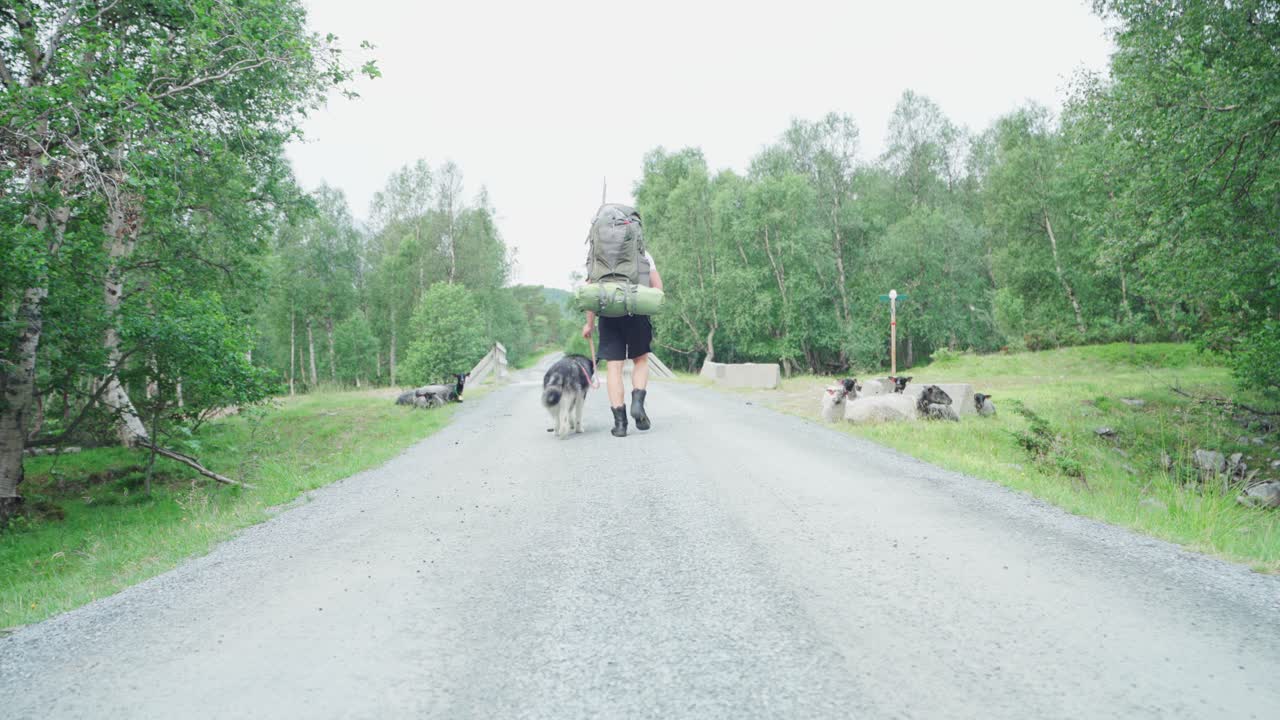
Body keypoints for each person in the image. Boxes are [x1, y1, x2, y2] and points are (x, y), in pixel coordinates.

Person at [582, 251, 663, 437]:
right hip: (637, 310)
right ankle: (637, 402)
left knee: (614, 367)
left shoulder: (599, 253)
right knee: (640, 360)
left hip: (609, 314)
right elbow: (657, 286)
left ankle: (620, 424)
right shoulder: (642, 253)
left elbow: (590, 293)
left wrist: (589, 323)